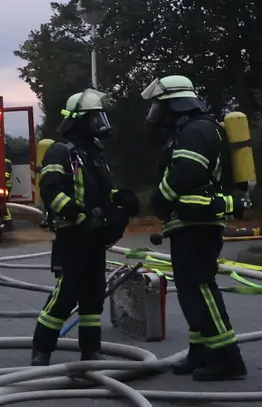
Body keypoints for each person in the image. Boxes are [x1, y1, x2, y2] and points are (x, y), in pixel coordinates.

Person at [142, 74, 246, 381]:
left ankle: (228, 358)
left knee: (201, 288)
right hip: (188, 223)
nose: (155, 112)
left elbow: (185, 173)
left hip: (198, 224)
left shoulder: (197, 130)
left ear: (174, 104)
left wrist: (158, 200)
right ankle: (201, 351)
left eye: (159, 105)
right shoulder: (188, 130)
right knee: (189, 291)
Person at [29, 90, 137, 365]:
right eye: (93, 117)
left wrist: (120, 199)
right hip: (73, 236)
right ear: (78, 120)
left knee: (92, 297)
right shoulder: (60, 151)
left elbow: (102, 192)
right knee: (66, 295)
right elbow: (50, 191)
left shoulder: (94, 153)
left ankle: (91, 351)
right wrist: (78, 215)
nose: (99, 122)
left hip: (94, 237)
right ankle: (41, 351)